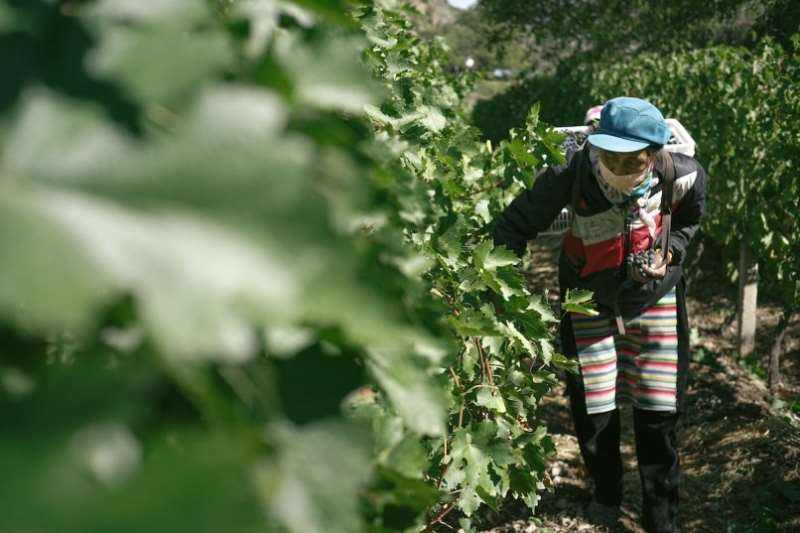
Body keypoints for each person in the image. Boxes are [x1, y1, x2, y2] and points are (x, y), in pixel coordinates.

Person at [491, 97, 706, 533]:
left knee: (659, 411)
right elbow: (513, 225)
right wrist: (504, 294)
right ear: (596, 147)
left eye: (633, 161)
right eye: (611, 158)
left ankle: (661, 516)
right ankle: (606, 495)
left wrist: (672, 253)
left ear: (654, 153)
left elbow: (689, 221)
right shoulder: (571, 176)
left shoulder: (681, 176)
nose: (620, 170)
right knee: (595, 409)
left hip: (654, 298)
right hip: (587, 300)